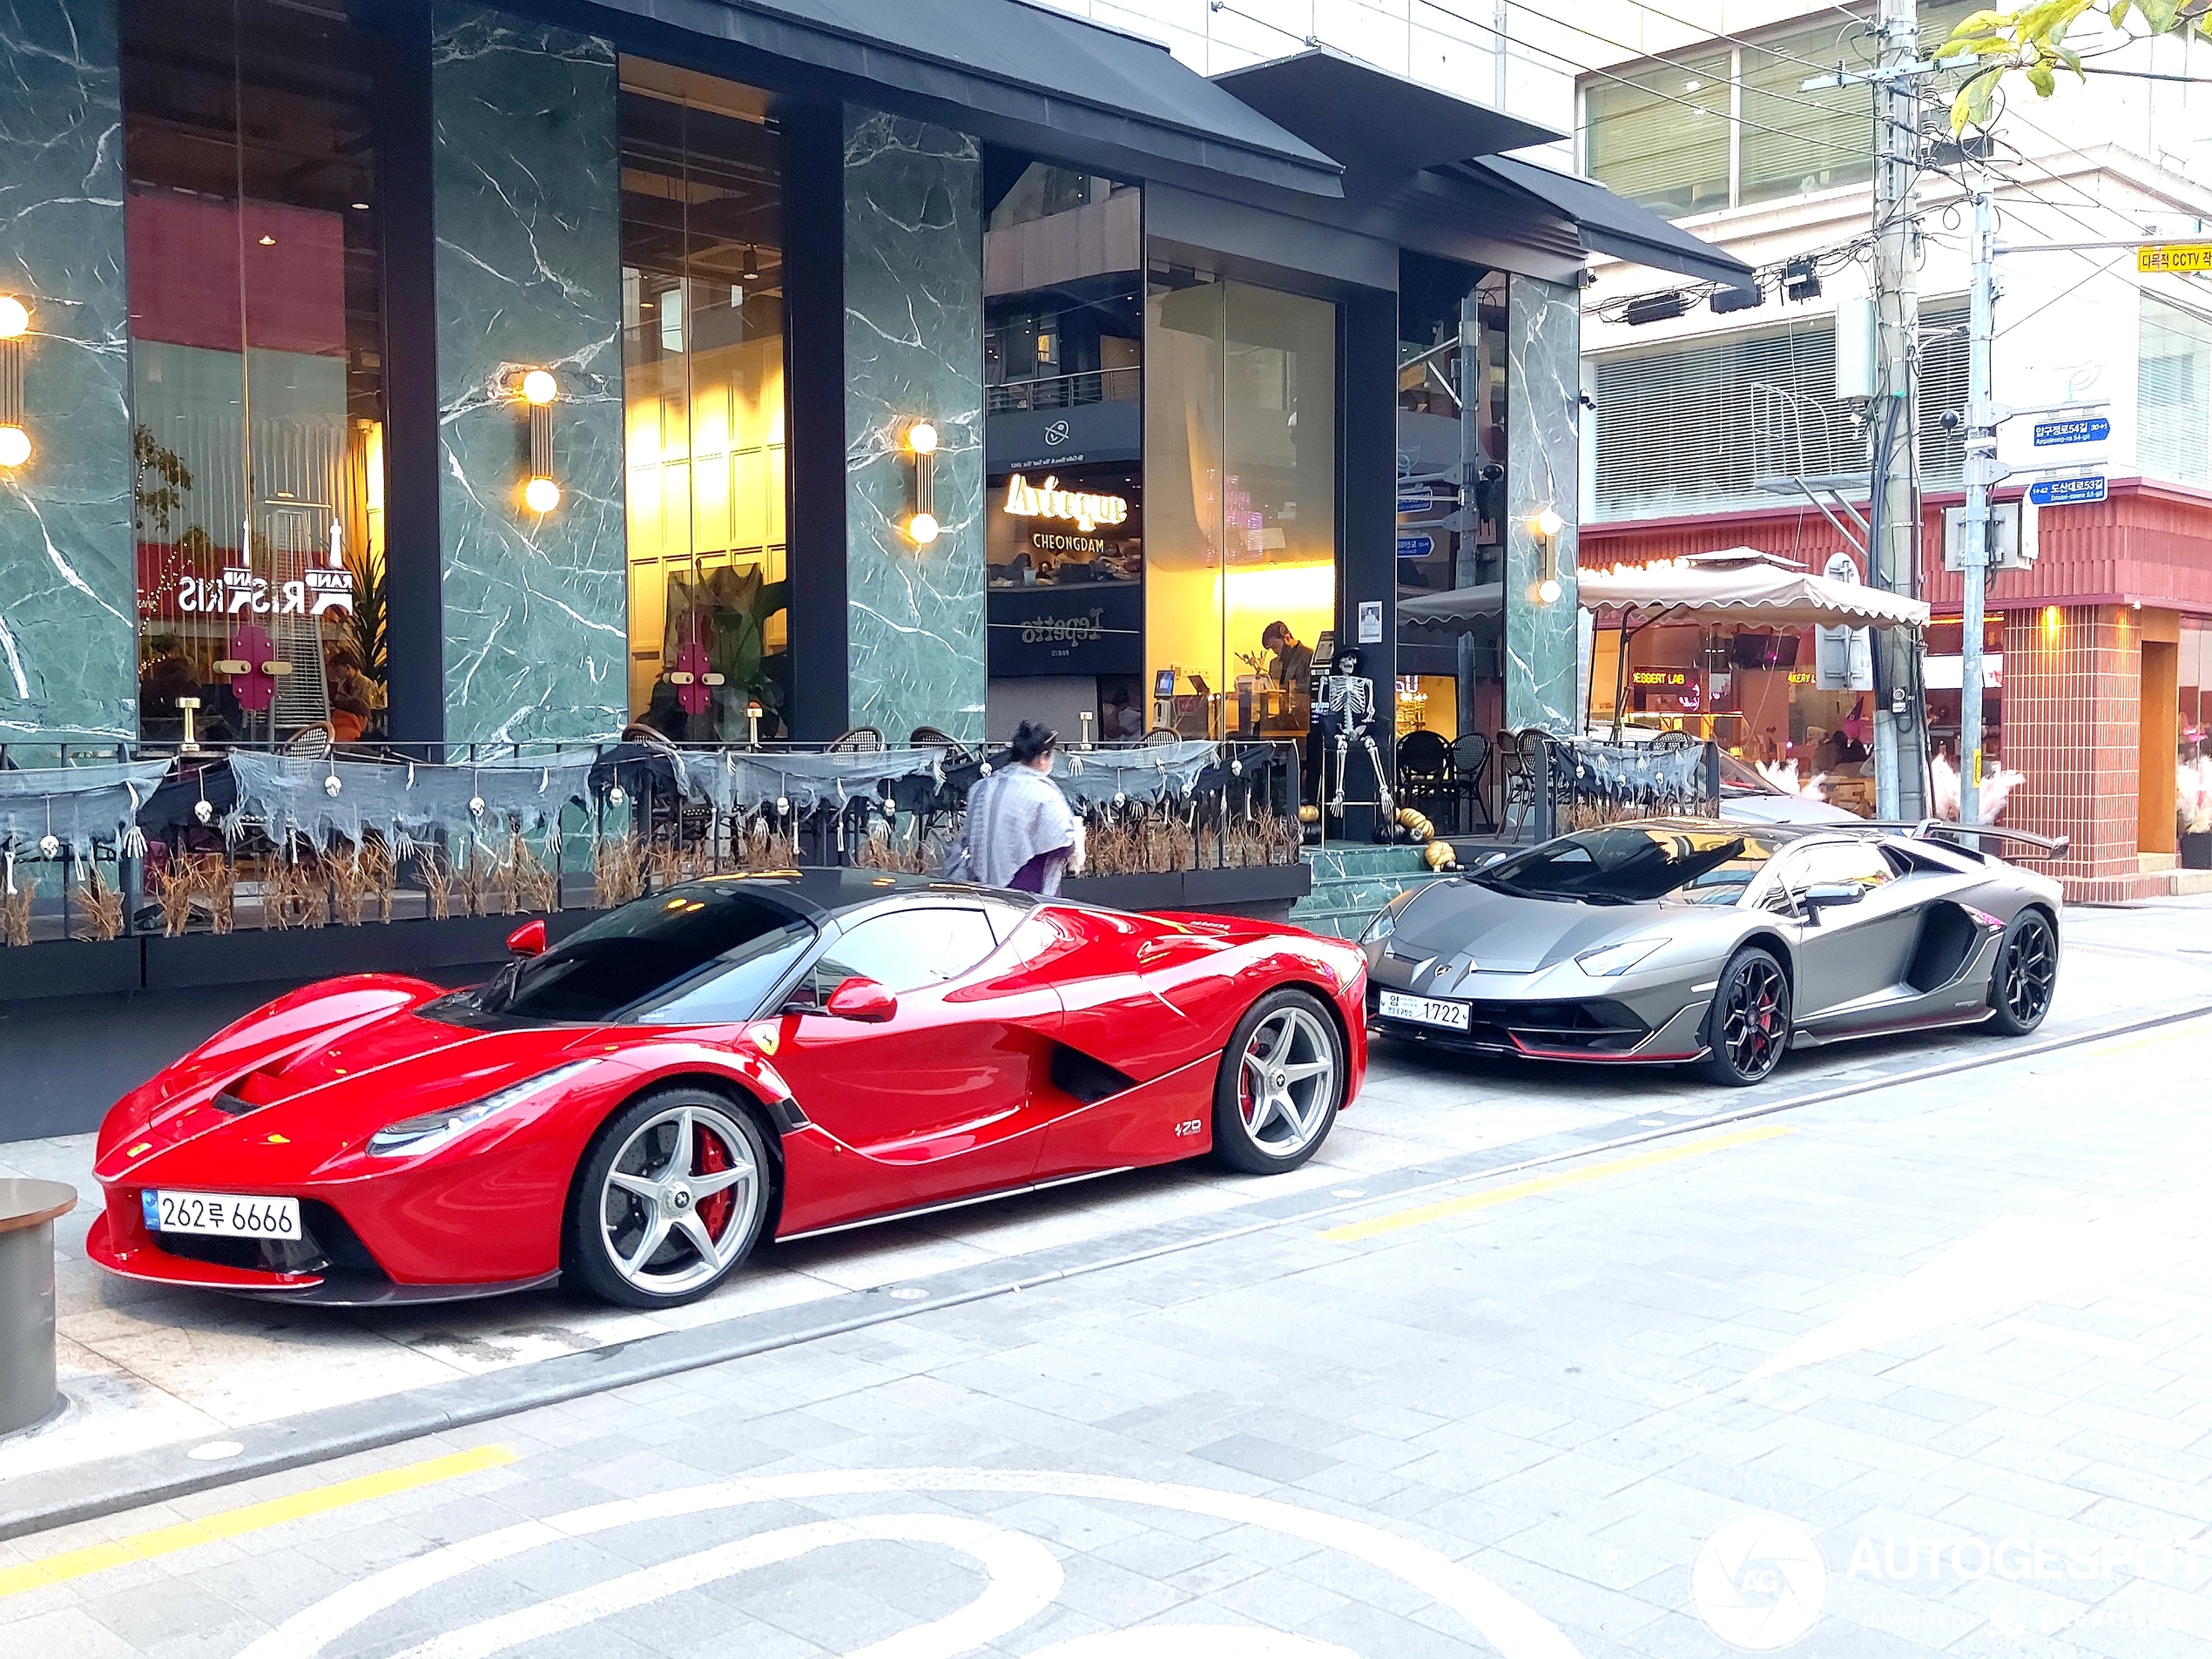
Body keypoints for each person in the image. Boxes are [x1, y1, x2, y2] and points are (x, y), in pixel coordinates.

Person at [950, 721, 1083, 894]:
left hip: (982, 890)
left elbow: (968, 839)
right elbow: (1062, 844)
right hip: (1026, 890)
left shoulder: (981, 787)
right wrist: (1077, 839)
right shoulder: (1043, 791)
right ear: (1043, 757)